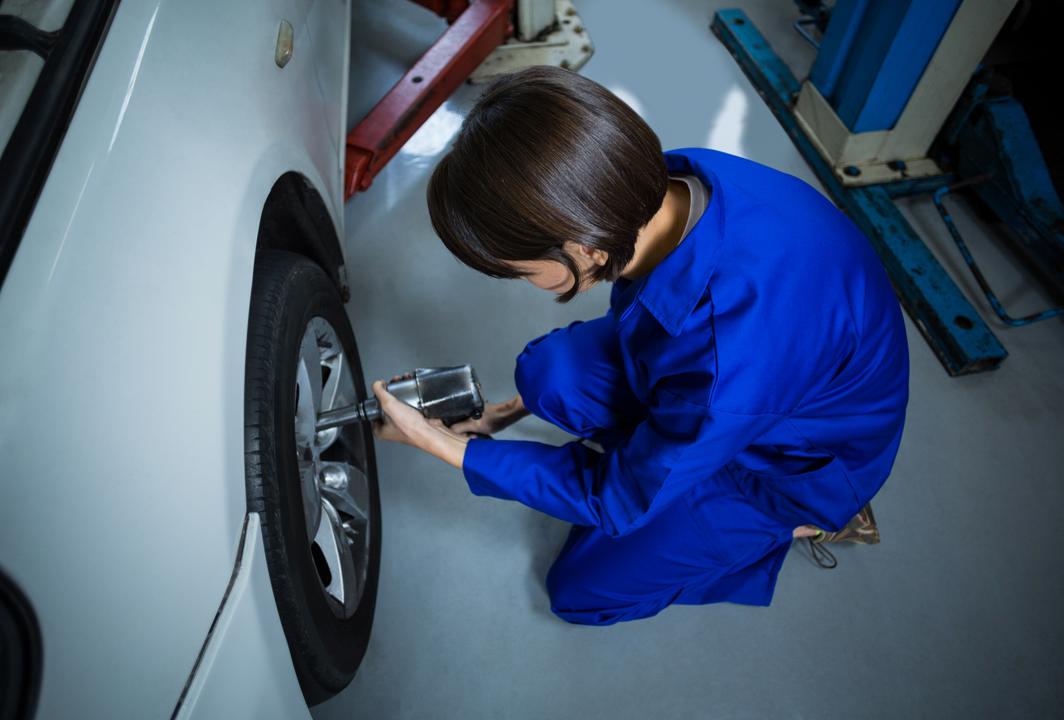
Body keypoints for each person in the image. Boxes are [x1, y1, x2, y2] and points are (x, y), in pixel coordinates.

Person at [370, 66, 909, 626]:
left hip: (785, 466)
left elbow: (618, 501)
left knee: (582, 589)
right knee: (547, 375)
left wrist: (446, 448)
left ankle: (809, 523)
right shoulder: (670, 181)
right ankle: (664, 455)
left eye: (519, 271)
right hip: (757, 380)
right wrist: (498, 418)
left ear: (584, 247)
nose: (521, 285)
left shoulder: (729, 359)